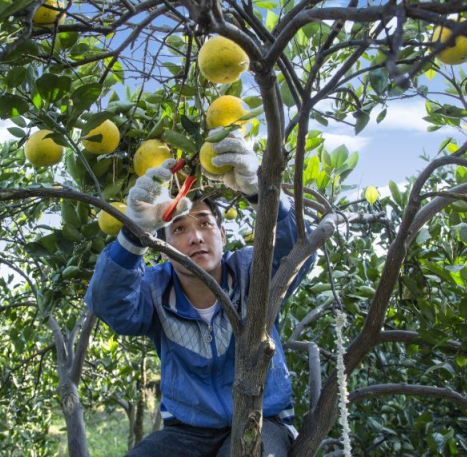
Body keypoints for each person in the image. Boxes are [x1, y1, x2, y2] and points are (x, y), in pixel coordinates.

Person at [84, 130, 313, 457]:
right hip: (187, 433)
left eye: (205, 224)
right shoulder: (155, 289)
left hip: (263, 419)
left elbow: (298, 254)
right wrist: (133, 233)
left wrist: (261, 191)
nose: (195, 237)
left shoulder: (253, 271)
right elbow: (110, 305)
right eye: (178, 228)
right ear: (163, 248)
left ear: (222, 233)